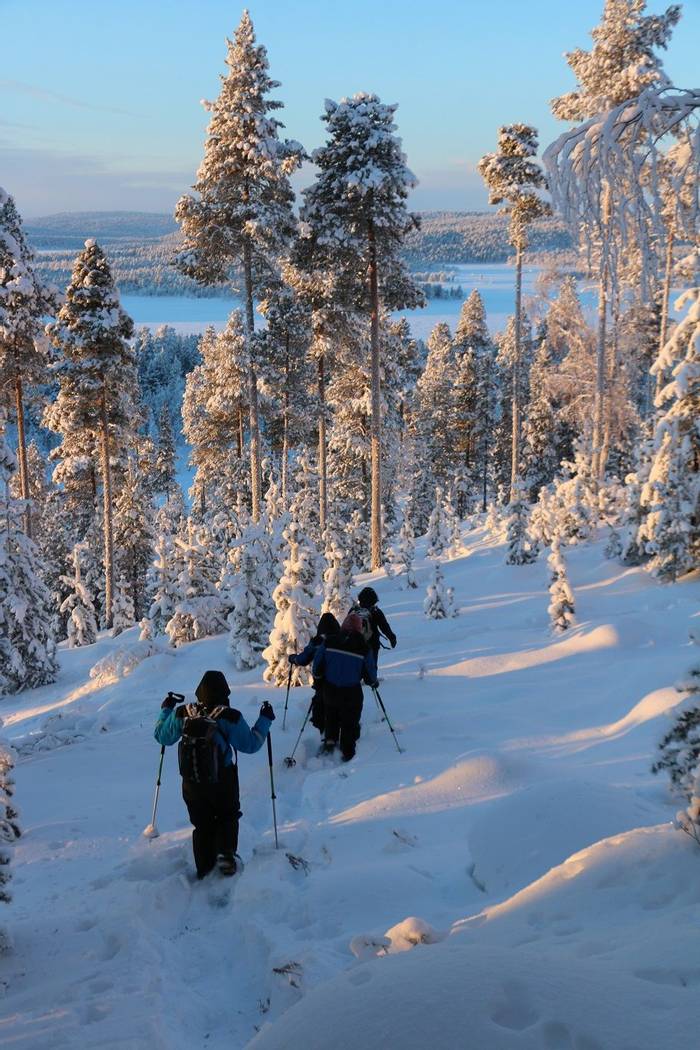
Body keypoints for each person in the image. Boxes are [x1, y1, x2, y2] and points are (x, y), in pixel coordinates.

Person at [154, 669, 274, 880]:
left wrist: (166, 709)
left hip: (191, 781)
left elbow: (162, 736)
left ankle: (204, 869)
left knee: (202, 825)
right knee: (228, 817)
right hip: (222, 780)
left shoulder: (183, 712)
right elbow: (251, 744)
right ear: (225, 693)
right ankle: (226, 857)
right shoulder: (229, 716)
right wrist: (265, 719)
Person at [312, 612, 378, 762]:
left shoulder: (329, 641)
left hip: (330, 689)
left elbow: (317, 664)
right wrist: (373, 682)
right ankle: (347, 752)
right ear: (359, 628)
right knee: (350, 720)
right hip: (351, 692)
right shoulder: (364, 647)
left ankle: (330, 741)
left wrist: (319, 678)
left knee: (331, 715)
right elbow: (370, 674)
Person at [289, 612, 340, 736]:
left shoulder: (317, 642)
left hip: (322, 683)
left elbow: (303, 659)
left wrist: (294, 659)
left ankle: (320, 732)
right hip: (341, 682)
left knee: (320, 705)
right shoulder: (343, 640)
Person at [357, 586, 397, 667]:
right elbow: (384, 627)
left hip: (355, 644)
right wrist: (392, 638)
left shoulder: (354, 610)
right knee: (371, 666)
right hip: (372, 645)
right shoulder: (376, 611)